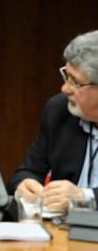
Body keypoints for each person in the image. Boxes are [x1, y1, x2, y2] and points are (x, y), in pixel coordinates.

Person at [7, 30, 98, 214]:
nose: (65, 88)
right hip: (61, 235)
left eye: (76, 82)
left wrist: (84, 198)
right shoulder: (59, 111)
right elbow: (27, 171)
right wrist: (24, 187)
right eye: (66, 76)